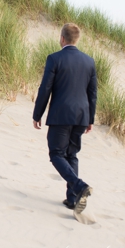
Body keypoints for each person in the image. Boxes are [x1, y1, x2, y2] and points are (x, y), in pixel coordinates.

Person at [32, 23, 98, 220]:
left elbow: (45, 89)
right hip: (81, 116)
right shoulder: (89, 61)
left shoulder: (55, 58)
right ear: (76, 39)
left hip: (61, 115)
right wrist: (90, 118)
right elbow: (92, 93)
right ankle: (72, 199)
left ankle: (78, 186)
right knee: (72, 154)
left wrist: (37, 114)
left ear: (62, 38)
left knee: (56, 154)